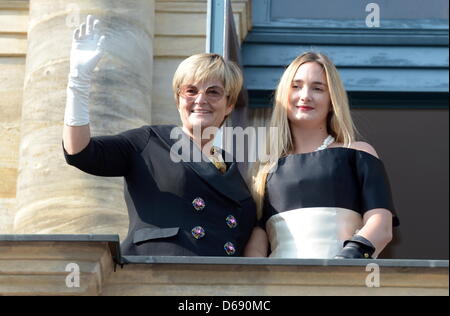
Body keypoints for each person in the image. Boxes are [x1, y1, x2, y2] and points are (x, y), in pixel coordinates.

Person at [63, 15, 257, 256]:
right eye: (190, 91)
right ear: (178, 101)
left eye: (214, 92)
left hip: (218, 286)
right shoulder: (149, 142)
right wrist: (78, 82)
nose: (200, 100)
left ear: (229, 105)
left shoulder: (234, 169)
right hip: (156, 275)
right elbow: (80, 152)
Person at [244, 52, 399, 259]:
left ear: (332, 100)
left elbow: (381, 226)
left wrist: (342, 265)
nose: (305, 95)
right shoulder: (263, 168)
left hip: (339, 284)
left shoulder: (357, 153)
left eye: (317, 88)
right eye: (296, 86)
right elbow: (257, 242)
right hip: (279, 285)